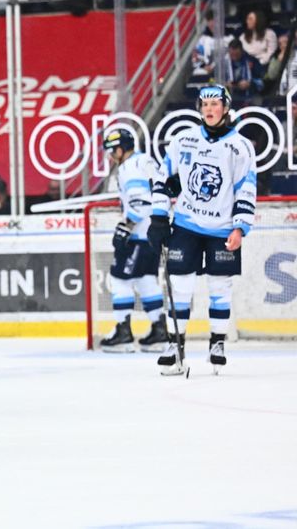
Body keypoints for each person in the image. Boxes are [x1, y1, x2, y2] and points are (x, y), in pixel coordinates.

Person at [154, 85, 257, 374]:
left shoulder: (240, 146)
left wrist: (240, 228)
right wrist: (158, 217)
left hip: (222, 229)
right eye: (205, 104)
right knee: (180, 285)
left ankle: (217, 342)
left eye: (215, 104)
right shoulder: (183, 139)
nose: (210, 109)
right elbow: (162, 177)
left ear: (225, 107)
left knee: (219, 286)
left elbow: (246, 189)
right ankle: (175, 345)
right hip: (186, 224)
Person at [98, 129, 169, 353]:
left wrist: (125, 228)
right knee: (146, 280)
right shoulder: (146, 161)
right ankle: (160, 331)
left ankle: (123, 332)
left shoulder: (129, 167)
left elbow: (140, 201)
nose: (110, 156)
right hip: (153, 233)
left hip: (139, 234)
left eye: (112, 151)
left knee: (120, 279)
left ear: (121, 149)